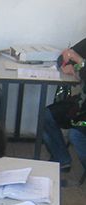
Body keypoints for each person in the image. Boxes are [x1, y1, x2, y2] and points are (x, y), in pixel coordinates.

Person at [42, 38, 86, 172]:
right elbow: (66, 55)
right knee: (46, 115)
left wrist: (80, 62)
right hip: (82, 104)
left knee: (76, 134)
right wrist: (66, 64)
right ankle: (62, 159)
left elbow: (76, 57)